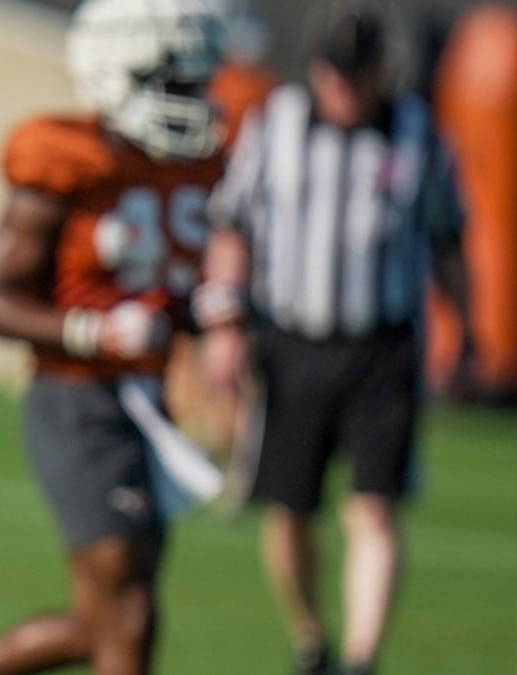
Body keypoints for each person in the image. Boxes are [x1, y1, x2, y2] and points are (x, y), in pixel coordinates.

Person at [0, 1, 228, 673]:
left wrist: (209, 309)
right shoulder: (69, 157)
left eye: (194, 81)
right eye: (171, 81)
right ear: (116, 72)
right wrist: (93, 329)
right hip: (76, 400)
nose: (190, 99)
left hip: (143, 398)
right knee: (129, 608)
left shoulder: (185, 163)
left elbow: (168, 293)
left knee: (103, 620)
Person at [194, 1, 473, 674]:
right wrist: (224, 324)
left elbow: (447, 239)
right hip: (292, 343)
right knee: (289, 511)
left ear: (381, 71)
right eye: (335, 74)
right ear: (317, 72)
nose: (345, 88)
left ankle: (360, 658)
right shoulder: (276, 126)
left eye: (358, 74)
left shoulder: (417, 134)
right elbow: (234, 224)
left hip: (382, 345)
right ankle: (313, 636)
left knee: (373, 507)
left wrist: (463, 329)